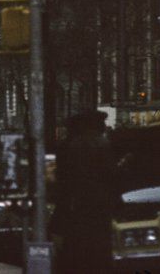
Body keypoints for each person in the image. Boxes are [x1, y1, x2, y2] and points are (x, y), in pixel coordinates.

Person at [53, 110, 114, 273]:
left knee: (76, 252)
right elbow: (110, 175)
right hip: (99, 205)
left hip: (76, 207)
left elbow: (62, 181)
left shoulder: (70, 146)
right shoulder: (102, 144)